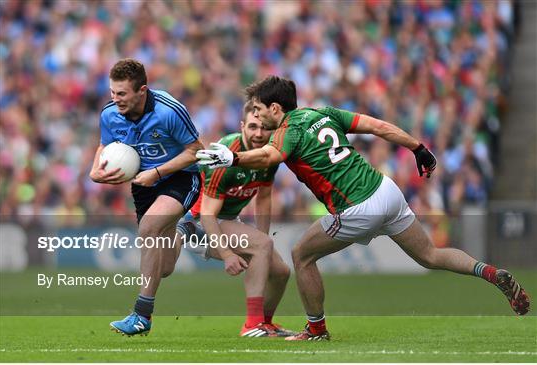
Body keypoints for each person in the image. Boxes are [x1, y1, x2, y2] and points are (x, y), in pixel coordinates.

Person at [196, 75, 530, 341]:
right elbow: (377, 126)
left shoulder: (288, 130)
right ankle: (489, 272)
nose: (258, 117)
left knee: (302, 255)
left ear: (274, 108)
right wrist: (419, 148)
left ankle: (315, 330)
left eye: (260, 109)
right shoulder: (323, 113)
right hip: (386, 189)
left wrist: (234, 156)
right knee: (430, 254)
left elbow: (270, 156)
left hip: (358, 207)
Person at [89, 58, 203, 336]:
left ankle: (142, 315)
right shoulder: (109, 113)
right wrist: (95, 171)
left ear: (142, 90)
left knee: (149, 227)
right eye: (113, 93)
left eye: (122, 94)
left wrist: (158, 172)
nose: (116, 99)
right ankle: (181, 230)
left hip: (180, 178)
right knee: (162, 269)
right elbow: (105, 144)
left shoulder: (169, 111)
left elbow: (196, 150)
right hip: (143, 185)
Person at [178, 101, 294, 337]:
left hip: (227, 220)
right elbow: (208, 213)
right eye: (252, 127)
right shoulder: (225, 157)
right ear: (242, 126)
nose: (259, 133)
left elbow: (263, 196)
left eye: (263, 128)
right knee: (261, 247)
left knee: (281, 271)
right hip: (200, 224)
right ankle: (251, 325)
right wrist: (227, 254)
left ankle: (265, 323)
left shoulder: (268, 155)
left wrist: (263, 237)